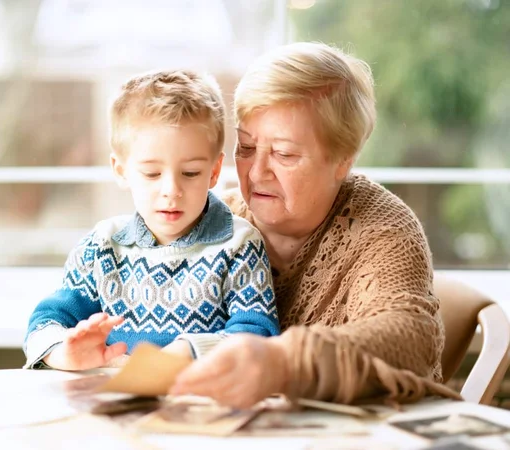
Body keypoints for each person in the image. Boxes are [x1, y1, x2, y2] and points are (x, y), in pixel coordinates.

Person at [169, 42, 461, 407]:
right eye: (245, 147)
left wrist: (283, 361)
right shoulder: (215, 217)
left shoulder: (383, 228)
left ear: (343, 160)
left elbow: (410, 336)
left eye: (284, 154)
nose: (257, 173)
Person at [23, 69, 280, 370]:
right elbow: (45, 323)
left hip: (201, 406)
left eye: (191, 173)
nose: (171, 191)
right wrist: (63, 352)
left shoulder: (239, 245)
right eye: (152, 174)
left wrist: (186, 351)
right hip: (113, 406)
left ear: (213, 171)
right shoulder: (102, 247)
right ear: (121, 170)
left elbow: (259, 336)